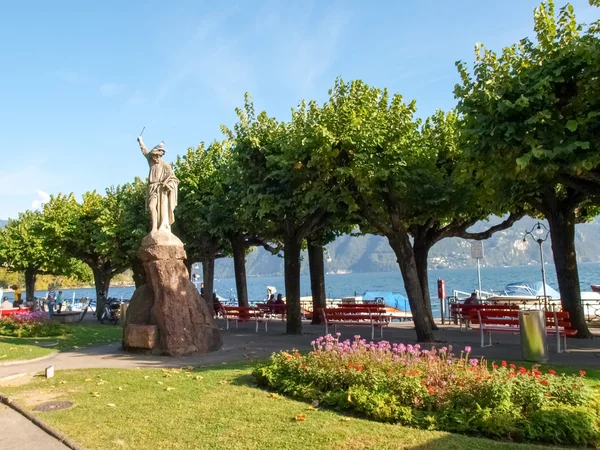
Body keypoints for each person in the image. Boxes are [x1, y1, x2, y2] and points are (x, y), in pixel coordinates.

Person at [137, 136, 179, 233]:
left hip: (161, 189)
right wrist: (141, 141)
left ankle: (161, 227)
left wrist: (167, 184)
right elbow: (144, 151)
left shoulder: (165, 165)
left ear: (160, 156)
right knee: (152, 206)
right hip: (152, 188)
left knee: (162, 208)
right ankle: (154, 228)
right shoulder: (151, 163)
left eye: (156, 156)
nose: (154, 158)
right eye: (153, 156)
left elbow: (173, 178)